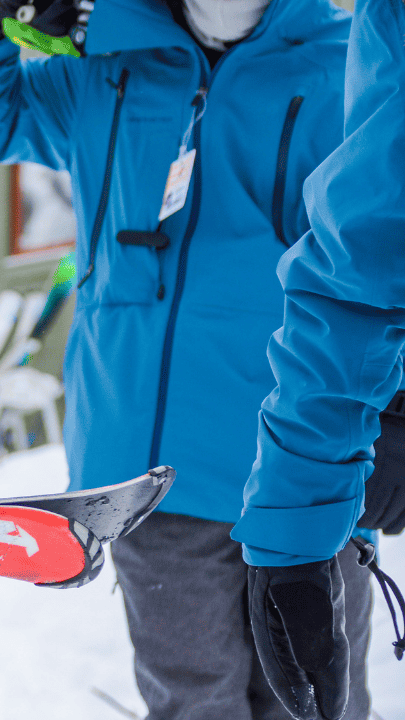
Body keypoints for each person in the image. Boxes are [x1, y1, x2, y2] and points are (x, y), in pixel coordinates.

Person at [0, 0, 377, 718]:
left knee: (319, 705)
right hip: (152, 471)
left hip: (304, 464)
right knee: (193, 701)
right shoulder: (109, 64)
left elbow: (379, 251)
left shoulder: (349, 64)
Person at [232, 0, 405, 716]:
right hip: (181, 465)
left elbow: (367, 257)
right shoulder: (117, 69)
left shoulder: (329, 52)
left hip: (311, 442)